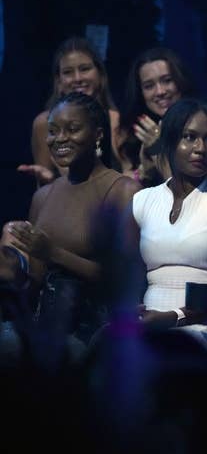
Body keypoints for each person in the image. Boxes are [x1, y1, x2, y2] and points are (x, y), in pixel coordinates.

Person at [4, 92, 141, 351]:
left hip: (96, 329)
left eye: (72, 129)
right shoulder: (43, 197)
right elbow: (36, 283)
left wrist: (53, 253)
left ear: (98, 135)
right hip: (47, 323)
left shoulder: (123, 191)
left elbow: (124, 282)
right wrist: (12, 271)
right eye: (53, 131)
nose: (60, 139)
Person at [126, 99, 207, 349]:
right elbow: (128, 278)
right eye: (189, 137)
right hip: (152, 323)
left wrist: (173, 317)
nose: (201, 148)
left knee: (164, 351)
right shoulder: (142, 201)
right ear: (169, 141)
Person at [25, 37, 121, 185]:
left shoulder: (115, 120)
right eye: (68, 72)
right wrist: (50, 182)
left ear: (100, 74)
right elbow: (43, 189)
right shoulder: (44, 123)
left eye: (84, 69)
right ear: (59, 81)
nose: (77, 78)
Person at [119, 47, 195, 185]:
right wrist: (144, 174)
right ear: (140, 93)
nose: (160, 91)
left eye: (167, 80)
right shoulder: (134, 134)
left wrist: (157, 149)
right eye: (149, 86)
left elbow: (187, 194)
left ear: (180, 81)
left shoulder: (201, 126)